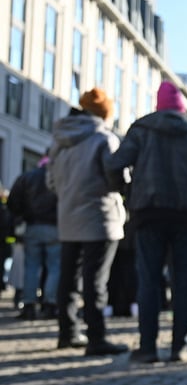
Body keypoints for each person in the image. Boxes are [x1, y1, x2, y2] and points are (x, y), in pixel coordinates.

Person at [108, 81, 187, 363]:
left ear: (158, 105)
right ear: (181, 110)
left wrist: (126, 191)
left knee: (149, 281)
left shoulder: (141, 131)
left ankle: (148, 347)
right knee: (184, 282)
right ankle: (180, 347)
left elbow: (115, 165)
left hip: (149, 211)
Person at [46, 88, 128, 355]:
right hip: (100, 217)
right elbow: (116, 178)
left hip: (68, 217)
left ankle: (67, 333)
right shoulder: (104, 138)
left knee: (68, 279)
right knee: (96, 282)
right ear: (105, 113)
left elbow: (51, 182)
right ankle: (97, 338)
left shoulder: (59, 141)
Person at [7, 156, 60, 320]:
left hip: (33, 226)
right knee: (54, 267)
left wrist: (22, 216)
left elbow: (13, 202)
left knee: (31, 267)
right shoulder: (60, 177)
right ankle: (50, 305)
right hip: (55, 227)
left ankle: (29, 305)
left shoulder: (28, 177)